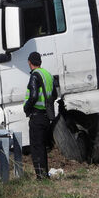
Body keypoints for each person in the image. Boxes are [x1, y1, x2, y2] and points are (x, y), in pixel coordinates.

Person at [23, 51, 57, 179]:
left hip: (36, 115)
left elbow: (33, 96)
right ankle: (44, 174)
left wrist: (26, 108)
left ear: (29, 62)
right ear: (40, 62)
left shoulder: (35, 76)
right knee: (42, 146)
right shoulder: (48, 75)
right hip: (46, 115)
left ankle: (40, 176)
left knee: (36, 147)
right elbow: (55, 94)